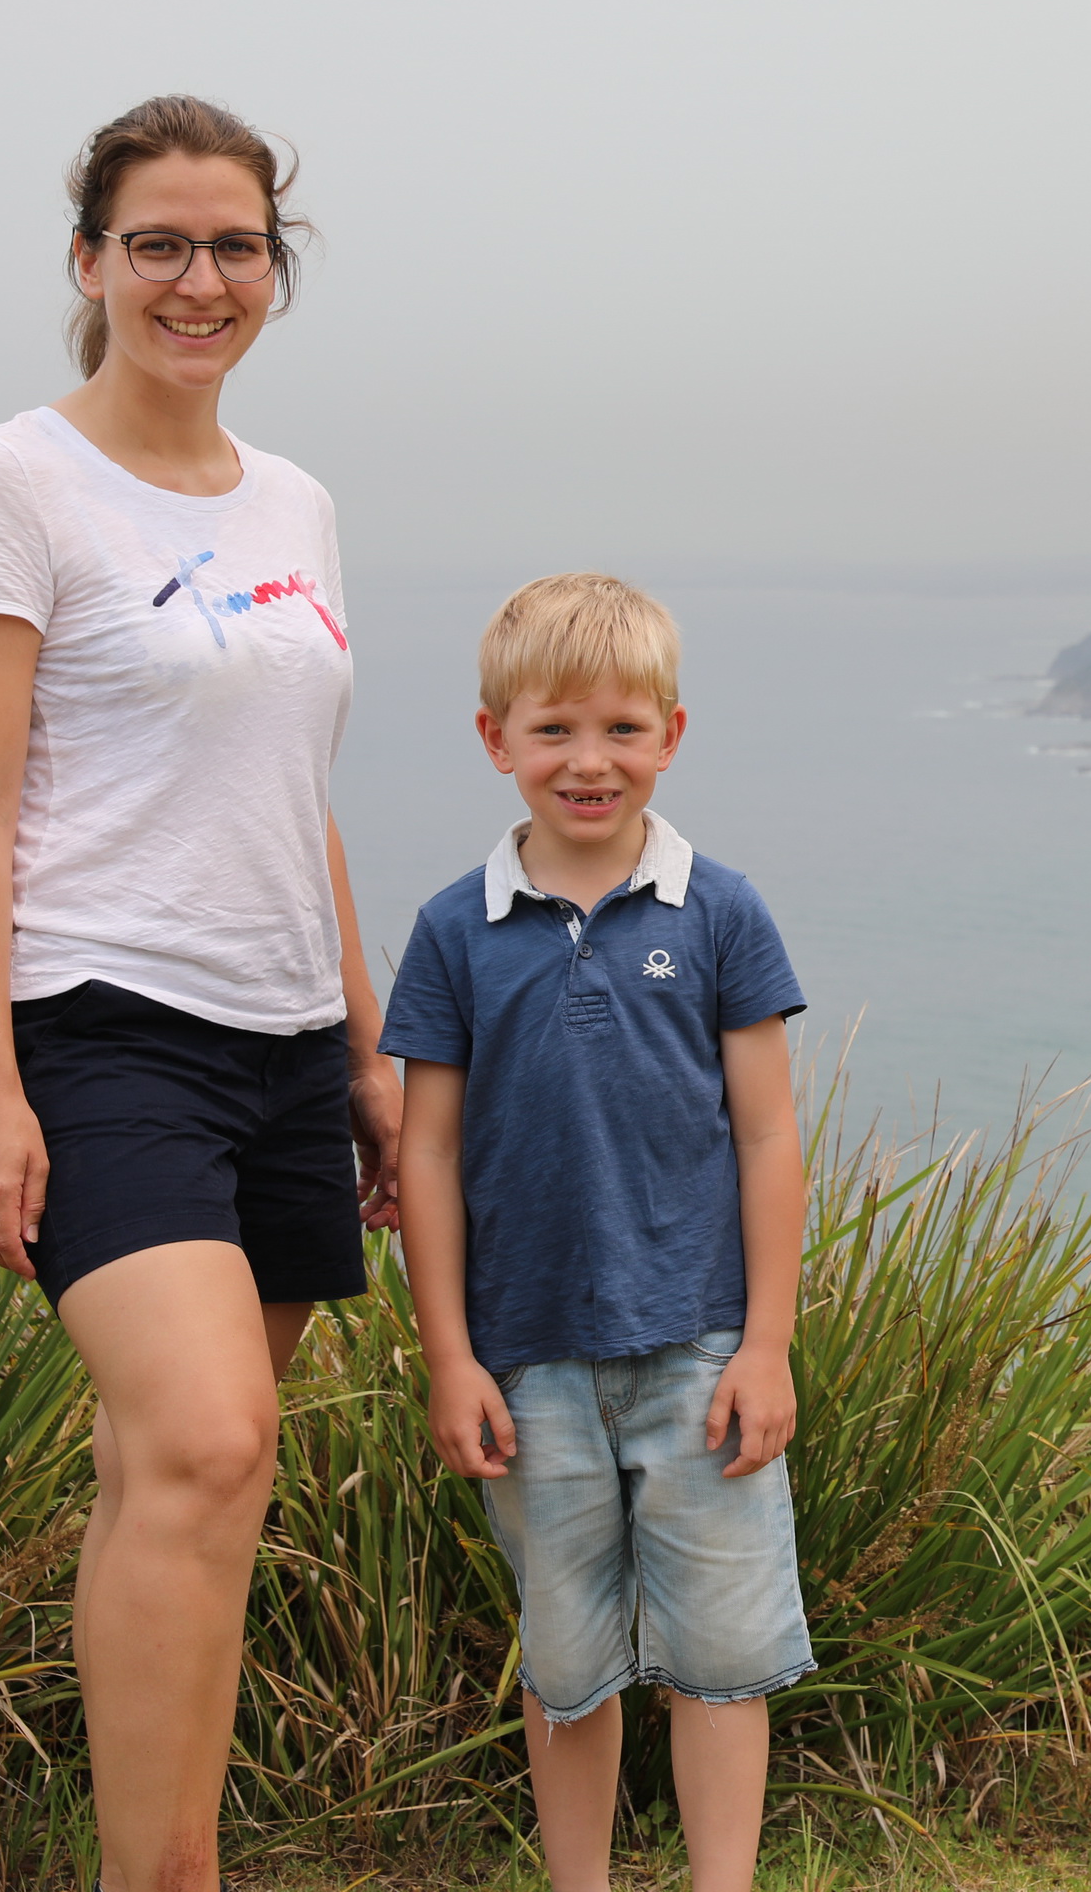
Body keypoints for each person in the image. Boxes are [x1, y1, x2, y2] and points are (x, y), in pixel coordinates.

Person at [0, 94, 401, 1892]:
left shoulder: (299, 502)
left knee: (188, 1488)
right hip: (100, 1028)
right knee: (204, 1438)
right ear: (92, 262)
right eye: (160, 245)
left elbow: (297, 800)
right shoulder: (12, 480)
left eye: (237, 246)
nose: (202, 280)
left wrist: (362, 1055)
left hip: (281, 1043)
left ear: (280, 264)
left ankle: (169, 1861)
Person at [385, 573, 814, 1892]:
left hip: (702, 1346)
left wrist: (770, 1347)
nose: (589, 761)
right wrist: (450, 1357)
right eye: (555, 729)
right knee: (567, 1667)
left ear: (671, 737)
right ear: (494, 738)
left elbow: (766, 1137)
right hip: (528, 1359)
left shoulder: (722, 910)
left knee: (722, 1660)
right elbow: (428, 1154)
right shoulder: (455, 931)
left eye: (624, 729)